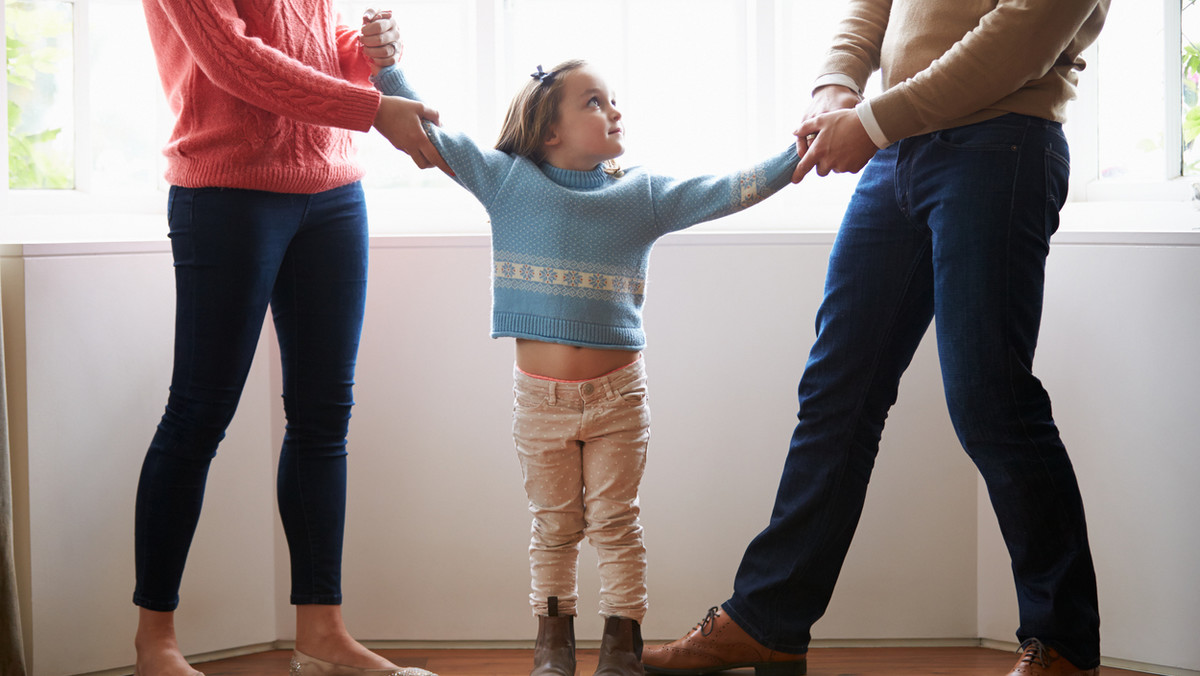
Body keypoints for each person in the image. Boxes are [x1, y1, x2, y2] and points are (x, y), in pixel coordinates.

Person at [641, 2, 1110, 676]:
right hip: (899, 155)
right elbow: (872, 8)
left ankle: (1063, 644)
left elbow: (1024, 33)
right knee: (837, 393)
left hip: (999, 144)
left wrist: (871, 120)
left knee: (991, 400)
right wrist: (837, 85)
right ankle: (767, 620)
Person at [365, 53, 799, 676]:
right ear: (549, 130)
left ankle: (622, 644)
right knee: (555, 526)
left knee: (617, 522)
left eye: (612, 98)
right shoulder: (506, 181)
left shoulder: (641, 194)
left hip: (619, 397)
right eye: (594, 101)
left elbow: (729, 190)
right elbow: (432, 138)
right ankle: (553, 643)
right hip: (538, 402)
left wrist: (799, 153)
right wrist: (385, 66)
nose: (614, 109)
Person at [133, 3, 448, 675]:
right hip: (226, 193)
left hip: (333, 192)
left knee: (322, 419)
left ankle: (322, 635)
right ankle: (155, 643)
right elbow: (236, 60)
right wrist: (371, 108)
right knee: (197, 416)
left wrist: (366, 50)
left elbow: (308, 40)